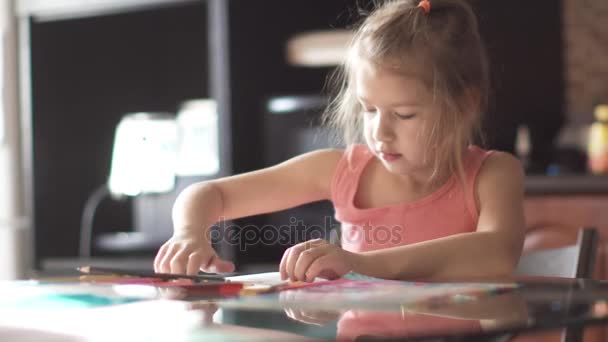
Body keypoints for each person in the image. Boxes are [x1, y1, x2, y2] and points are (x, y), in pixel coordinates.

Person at [154, 0, 525, 282]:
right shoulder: (341, 170)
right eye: (369, 110)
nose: (380, 132)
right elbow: (207, 194)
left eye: (404, 114)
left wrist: (358, 263)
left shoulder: (493, 174)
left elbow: (497, 252)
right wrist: (189, 234)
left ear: (464, 103)